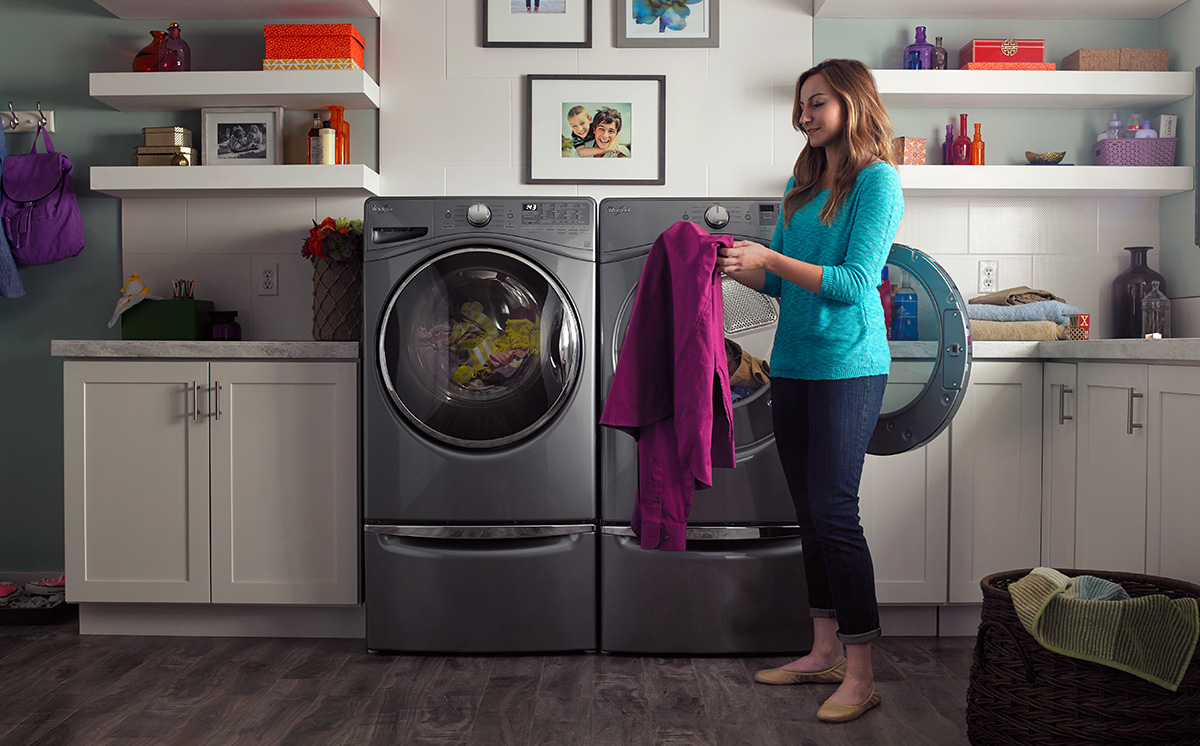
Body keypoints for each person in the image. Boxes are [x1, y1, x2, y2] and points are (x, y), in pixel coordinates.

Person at [714, 57, 903, 724]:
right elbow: (780, 282)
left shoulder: (878, 183)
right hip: (793, 366)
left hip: (850, 368)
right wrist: (741, 266)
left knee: (835, 511)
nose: (805, 114)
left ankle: (861, 671)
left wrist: (770, 258)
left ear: (852, 103)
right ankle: (821, 650)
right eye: (801, 105)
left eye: (817, 102)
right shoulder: (801, 184)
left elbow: (853, 283)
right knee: (811, 516)